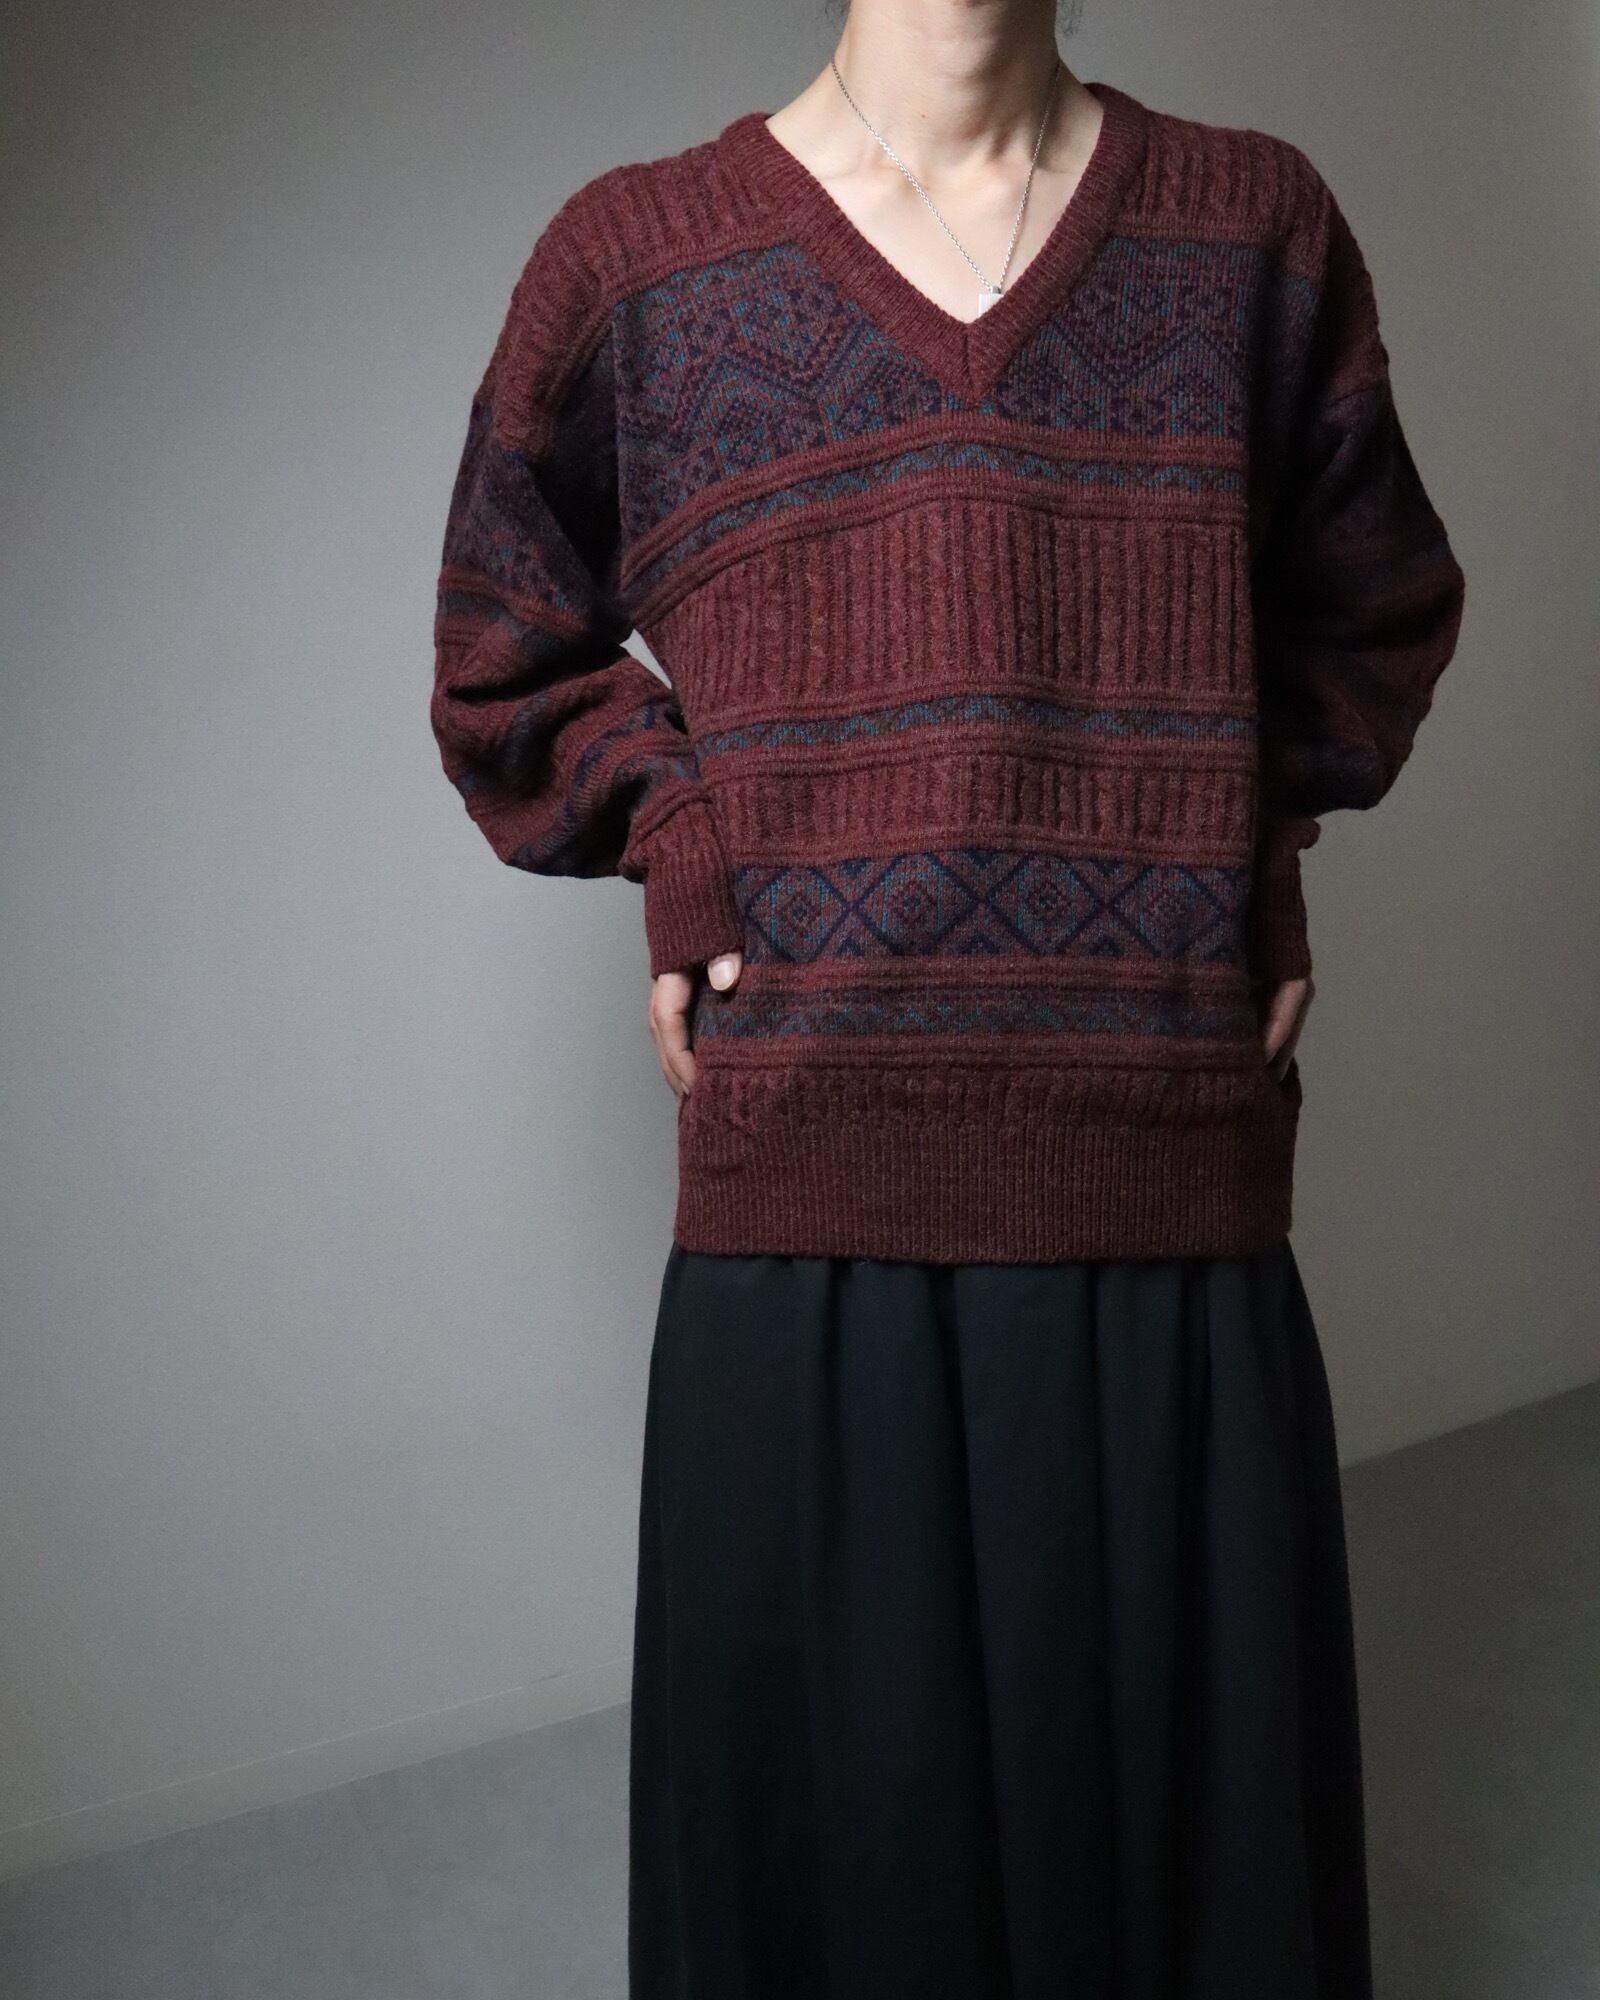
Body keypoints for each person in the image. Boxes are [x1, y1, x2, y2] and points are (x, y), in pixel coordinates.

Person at [429, 2, 1466, 1992]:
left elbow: (1378, 607)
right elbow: (501, 647)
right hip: (802, 1196)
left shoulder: (1251, 231)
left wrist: (1243, 833)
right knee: (841, 1886)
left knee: (1186, 1880)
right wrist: (675, 837)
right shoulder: (637, 262)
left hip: (1160, 1168)